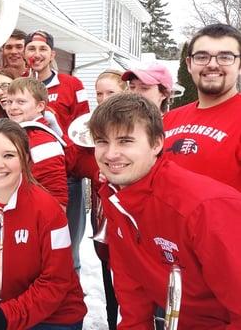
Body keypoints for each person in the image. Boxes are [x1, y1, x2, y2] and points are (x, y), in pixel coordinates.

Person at [88, 92, 241, 329]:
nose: (110, 154)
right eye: (102, 141)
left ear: (157, 143)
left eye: (125, 141)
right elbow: (131, 290)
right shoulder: (117, 198)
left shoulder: (204, 208)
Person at [0, 118, 87, 330]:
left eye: (9, 155)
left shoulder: (48, 208)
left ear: (25, 158)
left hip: (53, 317)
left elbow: (57, 280)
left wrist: (7, 316)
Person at [24, 30, 89, 273]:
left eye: (42, 49)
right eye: (31, 49)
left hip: (67, 177)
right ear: (25, 53)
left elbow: (83, 127)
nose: (36, 54)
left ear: (52, 54)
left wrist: (71, 160)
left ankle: (72, 306)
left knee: (67, 247)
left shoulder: (73, 84)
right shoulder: (19, 85)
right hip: (30, 177)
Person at [163, 23, 241, 192]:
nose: (212, 64)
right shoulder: (169, 120)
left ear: (239, 65)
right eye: (201, 57)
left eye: (225, 57)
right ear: (189, 64)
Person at [91, 69, 127, 330]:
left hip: (128, 214)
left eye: (110, 93)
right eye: (99, 94)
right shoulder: (92, 125)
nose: (103, 99)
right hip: (102, 210)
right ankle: (112, 321)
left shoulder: (133, 124)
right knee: (108, 276)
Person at [6, 77, 69, 208]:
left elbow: (56, 196)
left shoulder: (41, 140)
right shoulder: (26, 134)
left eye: (21, 102)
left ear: (40, 106)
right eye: (9, 102)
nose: (12, 107)